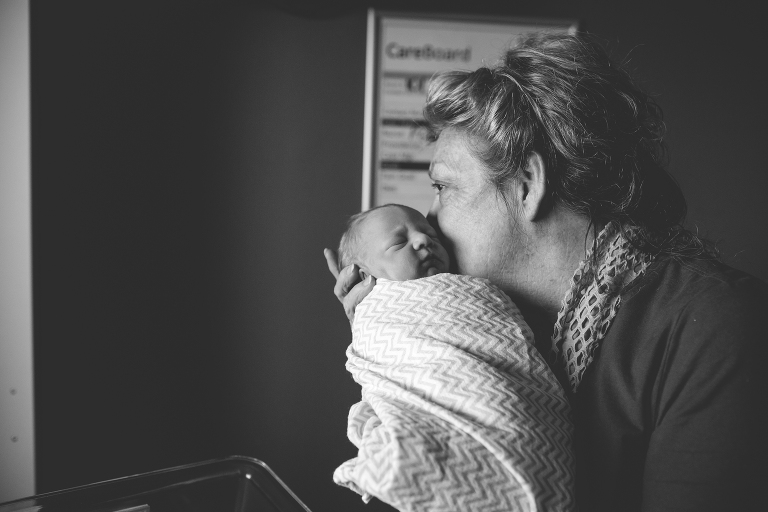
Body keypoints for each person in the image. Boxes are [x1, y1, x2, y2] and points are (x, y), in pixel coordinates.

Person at [325, 32, 768, 511]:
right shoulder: (500, 335)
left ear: (527, 186)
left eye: (443, 188)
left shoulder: (718, 326)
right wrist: (393, 341)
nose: (429, 220)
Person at [332, 203, 575, 511]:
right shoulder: (381, 309)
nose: (423, 240)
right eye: (398, 243)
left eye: (429, 233)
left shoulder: (466, 290)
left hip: (512, 413)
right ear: (364, 276)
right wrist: (366, 321)